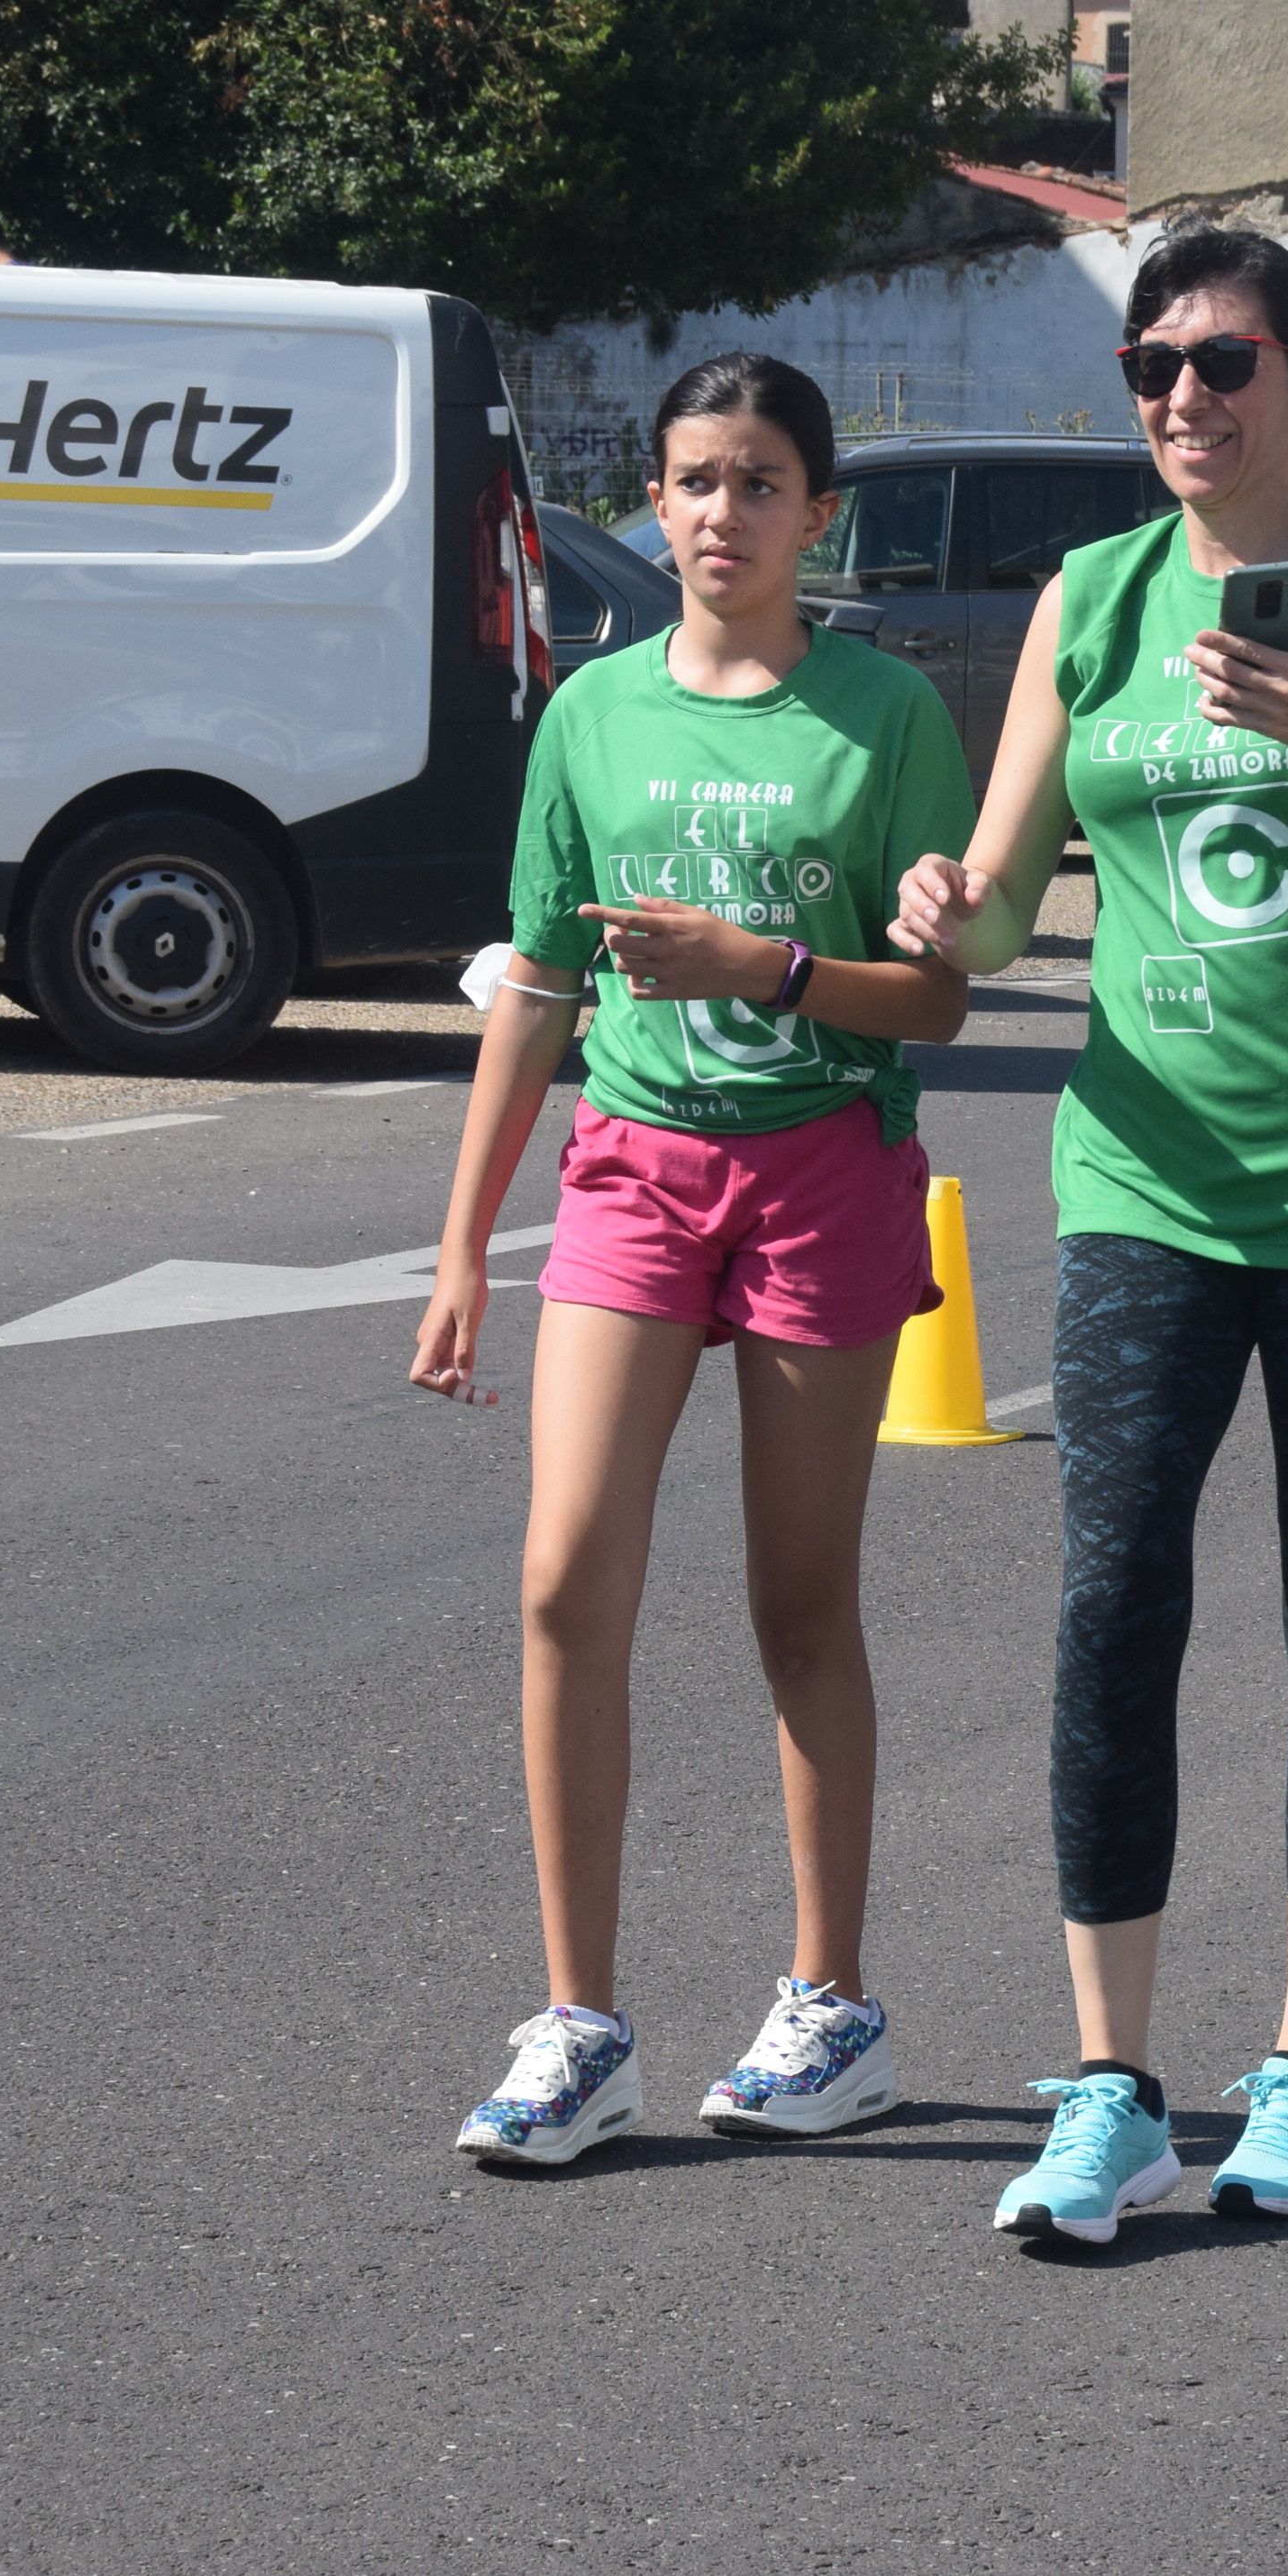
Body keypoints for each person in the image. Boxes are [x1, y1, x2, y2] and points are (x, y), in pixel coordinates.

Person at [887, 225, 1288, 2243]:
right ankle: (1108, 2084)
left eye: (1223, 363)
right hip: (1143, 1186)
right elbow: (1007, 905)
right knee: (1111, 1609)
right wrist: (943, 914)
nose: (1182, 397)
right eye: (1152, 367)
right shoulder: (1087, 599)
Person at [413, 351, 980, 2165]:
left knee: (795, 1603)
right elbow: (538, 988)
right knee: (564, 1577)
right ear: (651, 505)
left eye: (756, 483)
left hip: (826, 1170)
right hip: (631, 1176)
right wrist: (459, 1248)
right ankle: (580, 2023)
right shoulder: (589, 716)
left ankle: (833, 2009)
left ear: (817, 514)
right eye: (690, 481)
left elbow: (940, 1001)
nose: (720, 514)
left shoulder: (886, 713)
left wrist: (769, 969)